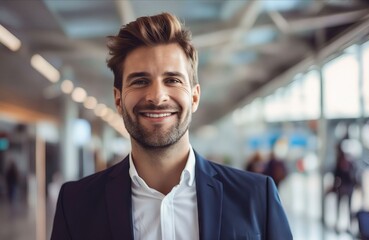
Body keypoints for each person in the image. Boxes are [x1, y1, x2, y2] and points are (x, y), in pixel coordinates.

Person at [51, 13, 292, 240]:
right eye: (140, 81)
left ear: (195, 97)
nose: (157, 97)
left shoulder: (257, 196)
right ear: (118, 100)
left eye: (172, 80)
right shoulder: (76, 204)